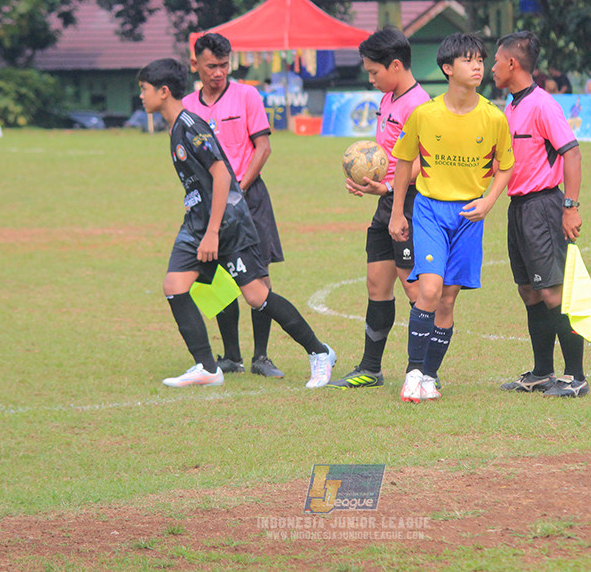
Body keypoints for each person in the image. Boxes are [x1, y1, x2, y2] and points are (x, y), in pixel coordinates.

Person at [137, 58, 335, 388]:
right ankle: (207, 367)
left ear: (163, 91)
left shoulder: (191, 126)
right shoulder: (174, 128)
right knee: (174, 286)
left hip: (227, 224)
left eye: (144, 90)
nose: (141, 97)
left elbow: (221, 175)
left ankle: (319, 352)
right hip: (196, 222)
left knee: (257, 296)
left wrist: (213, 232)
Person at [388, 33, 515, 403]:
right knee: (428, 290)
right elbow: (402, 162)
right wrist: (398, 212)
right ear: (447, 68)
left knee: (447, 300)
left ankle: (430, 375)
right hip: (430, 210)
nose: (477, 66)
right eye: (468, 60)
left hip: (469, 215)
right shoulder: (425, 114)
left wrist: (489, 201)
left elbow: (505, 167)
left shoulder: (493, 117)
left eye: (480, 60)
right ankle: (412, 372)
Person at [329, 27, 431, 390]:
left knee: (414, 289)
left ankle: (422, 372)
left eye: (374, 72)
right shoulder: (389, 98)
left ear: (397, 65)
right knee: (377, 283)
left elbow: (423, 161)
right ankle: (370, 368)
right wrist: (373, 183)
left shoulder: (419, 106)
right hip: (389, 202)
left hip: (410, 204)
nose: (370, 79)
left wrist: (389, 189)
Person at [491, 30, 589, 398]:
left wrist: (570, 207)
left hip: (544, 207)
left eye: (497, 61)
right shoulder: (512, 106)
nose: (493, 68)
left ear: (512, 63)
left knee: (553, 292)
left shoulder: (543, 104)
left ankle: (575, 376)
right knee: (530, 291)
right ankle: (542, 372)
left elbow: (572, 154)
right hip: (518, 209)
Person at [182, 33, 286, 379]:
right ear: (195, 63)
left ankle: (261, 356)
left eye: (224, 65)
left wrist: (238, 188)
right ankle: (231, 356)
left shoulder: (246, 95)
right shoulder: (187, 107)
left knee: (258, 276)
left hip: (249, 198)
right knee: (216, 276)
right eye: (211, 66)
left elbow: (264, 148)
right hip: (209, 206)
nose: (219, 73)